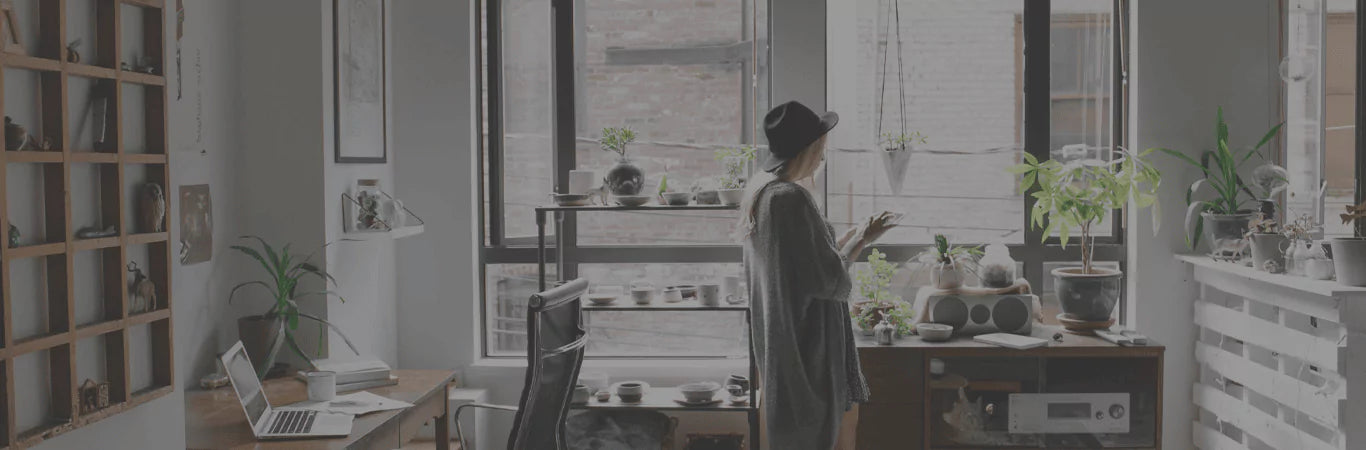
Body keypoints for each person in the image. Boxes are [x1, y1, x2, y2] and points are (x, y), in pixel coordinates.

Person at [740, 101, 897, 450]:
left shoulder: (762, 193)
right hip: (808, 345)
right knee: (828, 433)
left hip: (783, 343)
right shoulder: (792, 199)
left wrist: (851, 236)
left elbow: (804, 260)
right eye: (821, 147)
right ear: (808, 148)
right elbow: (830, 281)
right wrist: (863, 239)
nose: (823, 155)